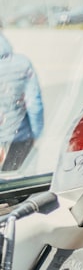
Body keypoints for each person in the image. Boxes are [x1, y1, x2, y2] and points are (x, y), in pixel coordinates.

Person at [0, 32, 44, 171]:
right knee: (20, 185)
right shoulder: (22, 63)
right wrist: (36, 134)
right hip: (20, 138)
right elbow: (34, 104)